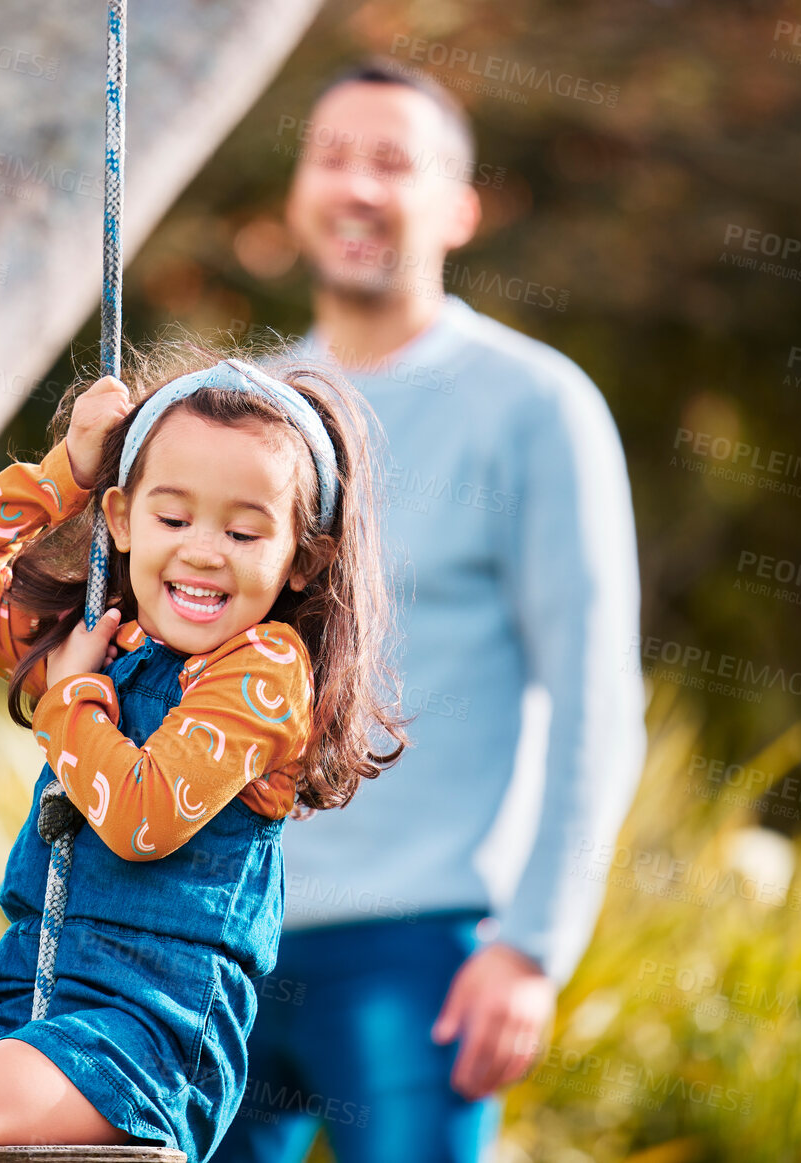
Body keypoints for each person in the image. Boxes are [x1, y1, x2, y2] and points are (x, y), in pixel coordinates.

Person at [0, 345, 408, 1163]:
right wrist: (69, 467)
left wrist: (69, 698)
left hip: (145, 1028)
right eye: (173, 518)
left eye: (243, 530)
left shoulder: (263, 670)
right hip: (19, 992)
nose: (204, 551)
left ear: (302, 558)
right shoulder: (104, 644)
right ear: (122, 519)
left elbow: (143, 817)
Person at [211, 60, 647, 1163]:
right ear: (298, 192)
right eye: (332, 157)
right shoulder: (249, 419)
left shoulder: (533, 405)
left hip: (422, 951)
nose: (357, 186)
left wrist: (534, 945)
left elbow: (593, 695)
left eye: (392, 163)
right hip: (223, 932)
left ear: (458, 206)